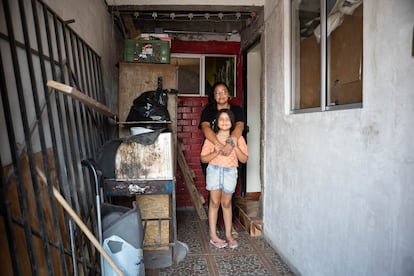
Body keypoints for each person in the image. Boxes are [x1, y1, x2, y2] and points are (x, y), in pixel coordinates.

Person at [200, 109, 248, 249]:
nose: (224, 122)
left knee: (226, 204)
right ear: (217, 122)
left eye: (227, 119)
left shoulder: (238, 138)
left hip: (230, 172)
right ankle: (213, 236)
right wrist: (216, 151)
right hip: (214, 170)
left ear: (232, 122)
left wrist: (235, 147)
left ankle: (228, 235)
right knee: (214, 203)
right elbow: (203, 158)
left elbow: (244, 159)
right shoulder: (211, 138)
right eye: (221, 119)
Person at [199, 81, 246, 166]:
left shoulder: (237, 110)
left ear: (228, 94)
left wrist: (230, 143)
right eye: (217, 92)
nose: (221, 95)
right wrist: (218, 145)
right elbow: (205, 128)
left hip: (232, 157)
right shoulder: (208, 111)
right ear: (214, 96)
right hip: (212, 156)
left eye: (224, 92)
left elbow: (240, 126)